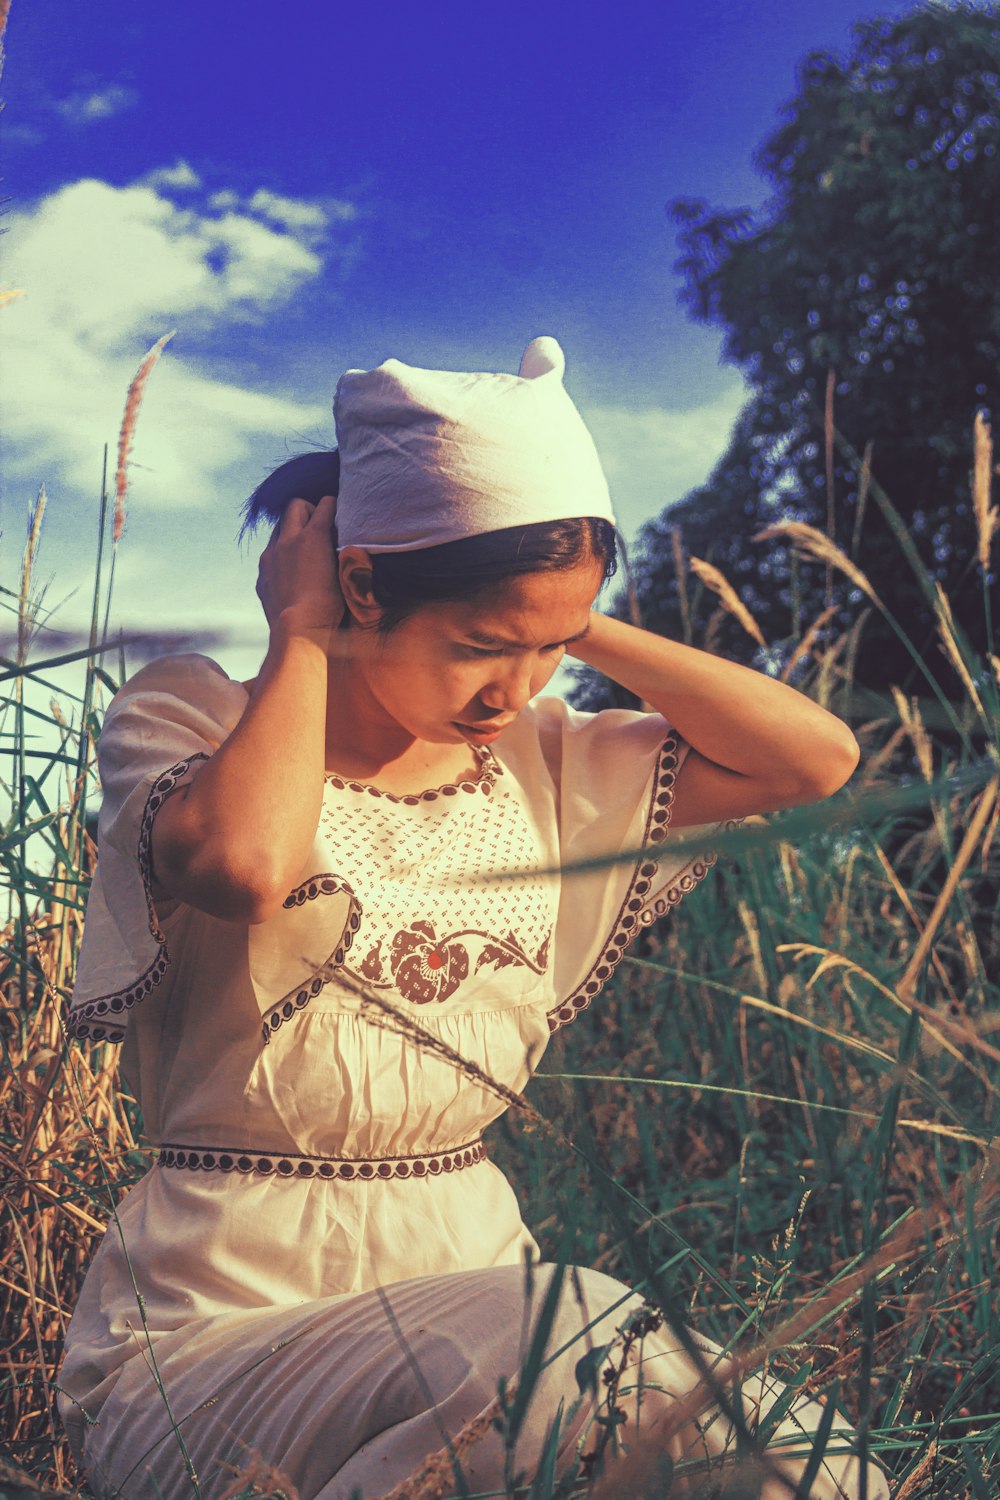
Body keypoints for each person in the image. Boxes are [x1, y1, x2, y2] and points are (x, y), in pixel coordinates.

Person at [59, 338, 889, 1499]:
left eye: (549, 651)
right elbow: (245, 865)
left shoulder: (544, 764)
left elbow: (815, 758)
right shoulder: (198, 718)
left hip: (485, 1318)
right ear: (358, 586)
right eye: (477, 649)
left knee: (798, 1466)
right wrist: (298, 634)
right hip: (215, 1342)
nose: (518, 691)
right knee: (580, 1352)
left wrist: (550, 609)